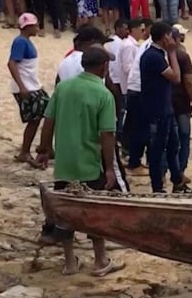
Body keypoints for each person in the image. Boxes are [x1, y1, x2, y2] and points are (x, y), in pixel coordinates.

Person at [35, 48, 125, 277]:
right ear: (103, 67)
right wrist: (109, 168)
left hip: (65, 164)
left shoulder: (63, 88)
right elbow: (107, 135)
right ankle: (100, 260)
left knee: (65, 214)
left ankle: (69, 263)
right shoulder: (103, 94)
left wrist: (44, 150)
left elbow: (48, 121)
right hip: (90, 164)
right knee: (94, 213)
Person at [140, 22, 192, 193]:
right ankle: (158, 187)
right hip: (157, 111)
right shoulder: (154, 56)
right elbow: (176, 77)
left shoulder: (157, 54)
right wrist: (172, 52)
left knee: (173, 146)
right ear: (165, 37)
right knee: (157, 150)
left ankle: (177, 181)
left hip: (166, 109)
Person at [7, 13, 47, 168]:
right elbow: (11, 63)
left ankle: (31, 149)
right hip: (27, 87)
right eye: (35, 25)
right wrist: (22, 86)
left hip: (32, 85)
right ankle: (25, 151)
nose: (37, 28)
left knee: (39, 116)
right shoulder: (21, 42)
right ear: (28, 27)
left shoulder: (25, 41)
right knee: (34, 119)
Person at [124, 18, 154, 175]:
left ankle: (138, 161)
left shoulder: (145, 46)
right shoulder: (150, 48)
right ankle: (135, 163)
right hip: (140, 91)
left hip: (137, 90)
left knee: (140, 128)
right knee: (141, 129)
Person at [171, 24, 192, 181]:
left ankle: (168, 170)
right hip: (181, 103)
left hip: (166, 102)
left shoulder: (160, 54)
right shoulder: (182, 55)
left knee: (169, 138)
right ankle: (180, 171)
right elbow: (188, 81)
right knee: (184, 136)